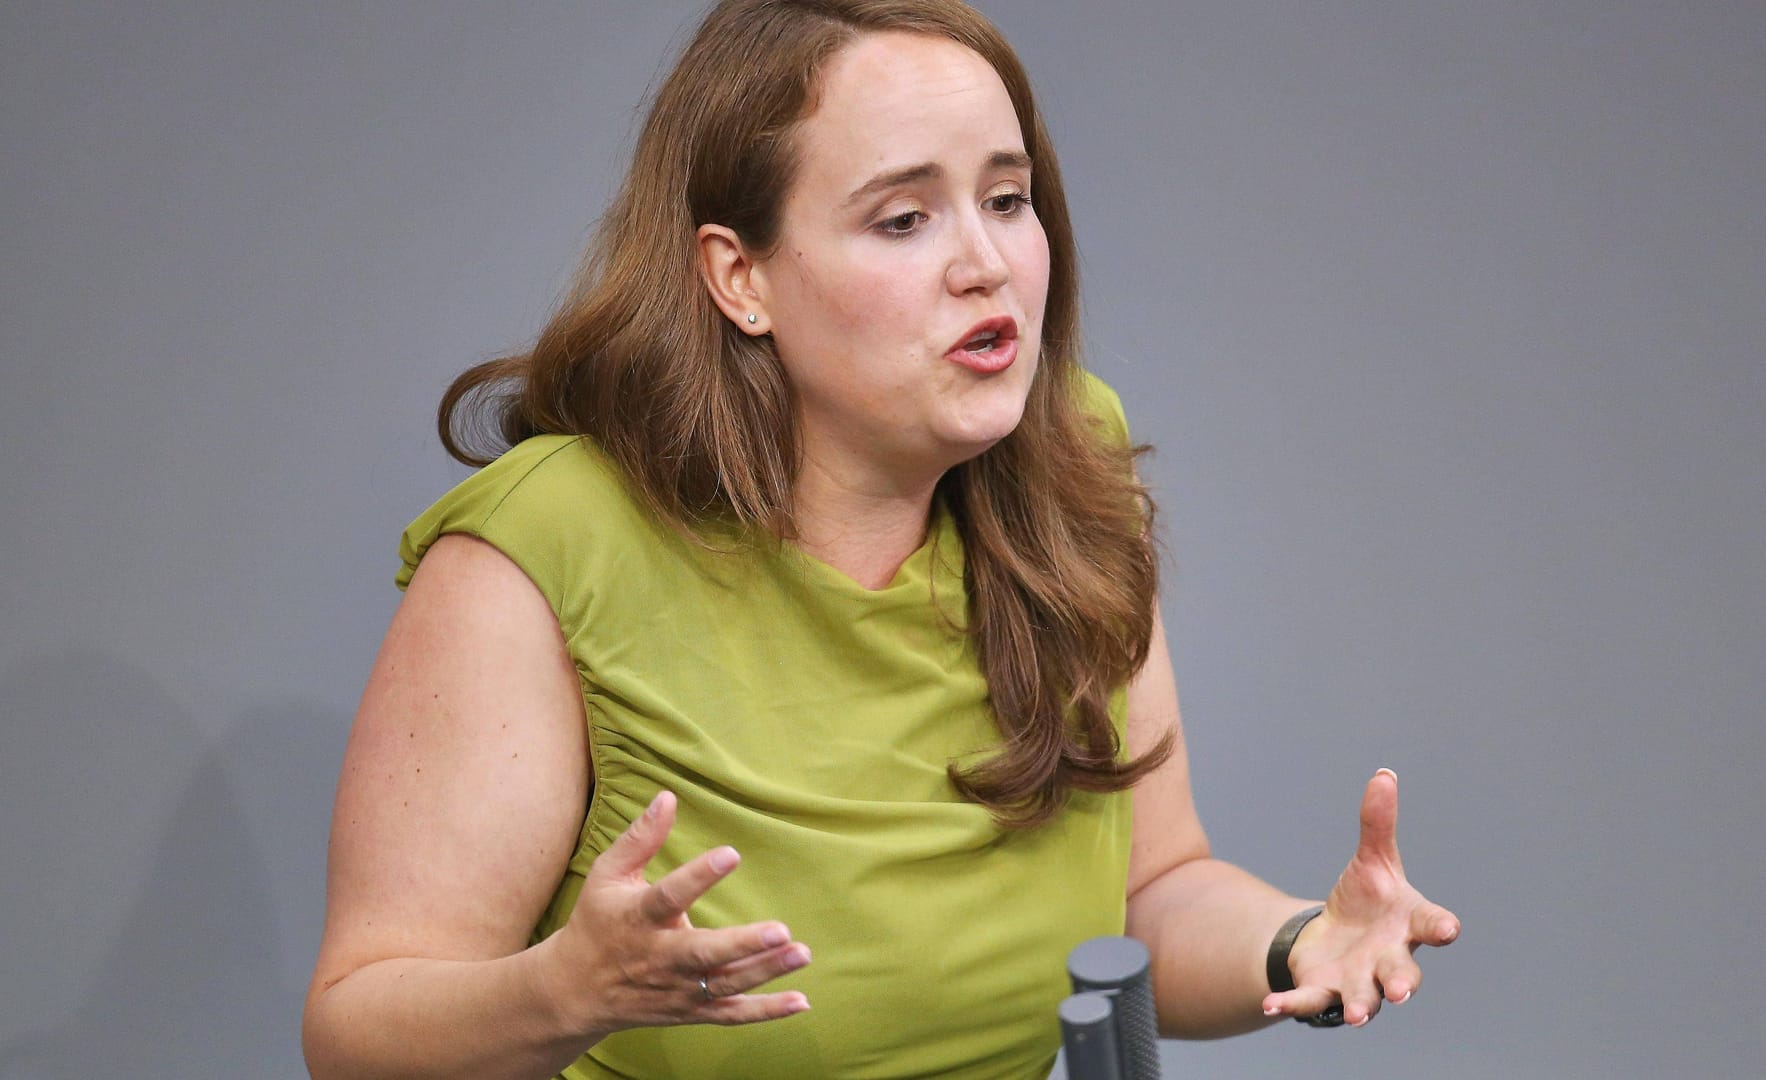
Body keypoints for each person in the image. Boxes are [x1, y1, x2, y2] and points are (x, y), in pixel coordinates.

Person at [302, 1, 1459, 1077]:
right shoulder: (553, 540)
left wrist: (1301, 941)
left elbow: (1151, 891)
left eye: (1008, 200)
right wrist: (567, 991)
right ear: (739, 276)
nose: (986, 264)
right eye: (905, 219)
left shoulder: (1067, 469)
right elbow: (356, 1026)